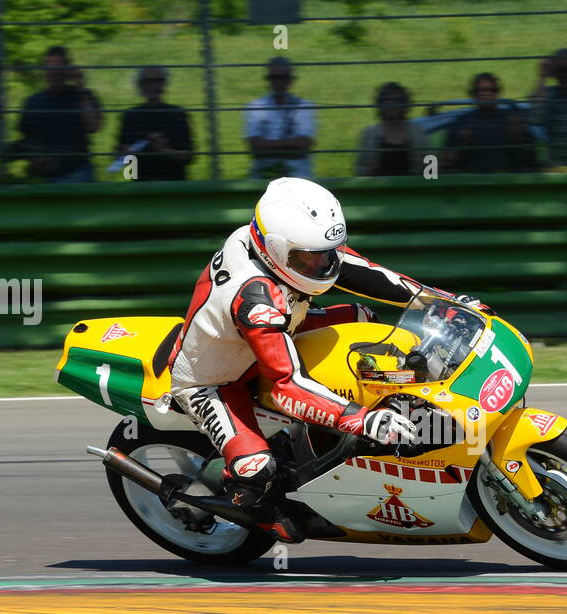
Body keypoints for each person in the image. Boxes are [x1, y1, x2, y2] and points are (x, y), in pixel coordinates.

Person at [167, 177, 494, 543]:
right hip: (217, 381)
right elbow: (286, 386)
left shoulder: (275, 245)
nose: (323, 263)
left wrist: (442, 303)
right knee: (256, 469)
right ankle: (251, 507)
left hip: (280, 327)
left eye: (327, 251)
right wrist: (363, 420)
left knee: (363, 317)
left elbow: (366, 271)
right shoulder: (255, 298)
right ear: (276, 249)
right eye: (310, 256)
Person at [17, 46, 102, 183]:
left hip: (78, 172)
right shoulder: (33, 102)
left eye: (58, 66)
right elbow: (27, 137)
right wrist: (35, 158)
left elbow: (93, 126)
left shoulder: (82, 96)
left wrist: (80, 86)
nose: (53, 72)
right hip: (44, 175)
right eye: (50, 67)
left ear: (67, 69)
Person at [443, 73, 537, 174]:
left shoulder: (512, 121)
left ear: (497, 94)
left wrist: (519, 137)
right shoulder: (463, 122)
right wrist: (461, 144)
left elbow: (531, 159)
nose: (485, 94)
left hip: (507, 182)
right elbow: (447, 162)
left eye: (491, 90)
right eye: (479, 91)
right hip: (473, 183)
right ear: (473, 95)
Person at [115, 66, 194, 180]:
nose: (153, 86)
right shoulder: (130, 116)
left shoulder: (178, 114)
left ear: (164, 84)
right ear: (140, 85)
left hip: (173, 183)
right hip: (141, 183)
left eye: (158, 81)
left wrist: (163, 150)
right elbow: (119, 157)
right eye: (148, 82)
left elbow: (189, 157)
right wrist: (128, 152)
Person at [244, 56, 315, 178]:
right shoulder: (255, 106)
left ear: (290, 80)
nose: (278, 82)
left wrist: (267, 146)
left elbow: (304, 145)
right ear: (268, 80)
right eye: (274, 78)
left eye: (283, 77)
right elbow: (254, 147)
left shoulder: (304, 106)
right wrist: (291, 145)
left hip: (297, 178)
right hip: (263, 177)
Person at [354, 82, 430, 176]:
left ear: (405, 105)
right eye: (387, 101)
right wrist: (369, 171)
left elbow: (432, 168)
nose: (391, 105)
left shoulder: (418, 132)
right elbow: (358, 169)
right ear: (380, 105)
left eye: (396, 101)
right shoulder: (369, 133)